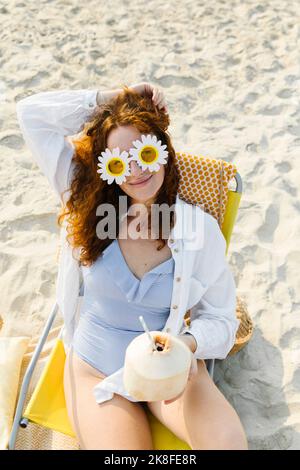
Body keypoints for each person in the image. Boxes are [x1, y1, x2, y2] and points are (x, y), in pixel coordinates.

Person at [16, 82, 248, 450]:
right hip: (96, 368)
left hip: (166, 367)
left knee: (229, 444)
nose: (135, 171)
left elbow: (221, 320)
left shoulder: (197, 228)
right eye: (119, 161)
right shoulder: (85, 202)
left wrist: (186, 343)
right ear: (106, 167)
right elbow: (31, 115)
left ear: (163, 151)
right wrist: (110, 100)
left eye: (145, 153)